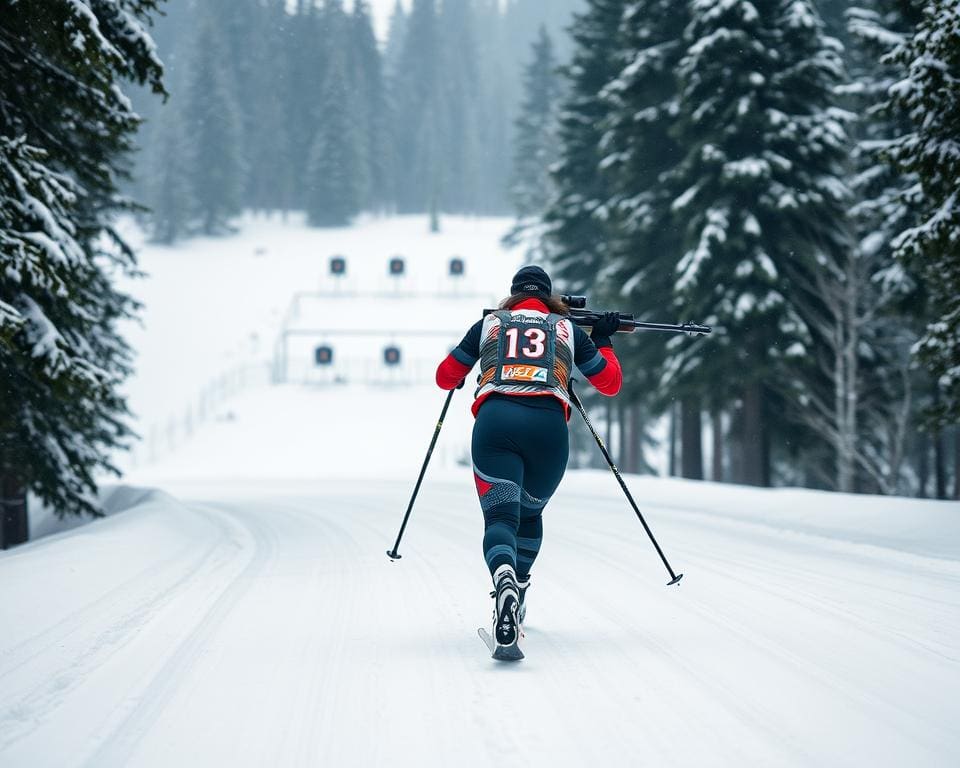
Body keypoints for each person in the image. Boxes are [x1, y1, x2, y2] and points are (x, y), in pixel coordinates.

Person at [435, 266, 622, 659]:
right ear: (550, 297)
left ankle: (501, 577)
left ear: (513, 295)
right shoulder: (567, 329)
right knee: (530, 515)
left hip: (496, 424)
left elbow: (445, 376)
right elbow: (609, 382)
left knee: (501, 519)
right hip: (548, 431)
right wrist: (602, 340)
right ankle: (517, 589)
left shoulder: (489, 324)